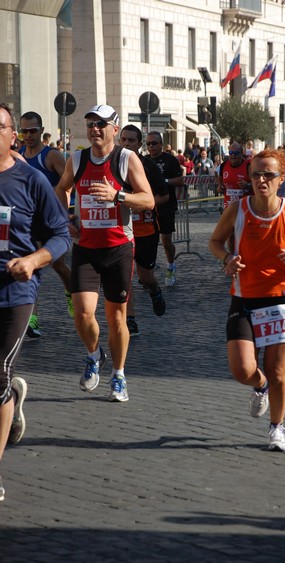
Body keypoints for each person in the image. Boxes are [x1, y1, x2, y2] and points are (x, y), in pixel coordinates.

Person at [209, 148, 285, 452]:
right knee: (242, 369)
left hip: (283, 299)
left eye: (268, 174)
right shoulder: (238, 209)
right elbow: (215, 241)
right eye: (255, 174)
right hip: (245, 297)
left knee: (279, 370)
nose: (261, 180)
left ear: (282, 178)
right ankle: (260, 386)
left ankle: (277, 428)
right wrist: (227, 258)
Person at [55, 104, 154, 402]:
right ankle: (94, 354)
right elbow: (62, 189)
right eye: (90, 124)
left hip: (118, 249)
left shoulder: (126, 159)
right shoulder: (77, 158)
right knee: (83, 313)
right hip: (85, 248)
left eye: (101, 124)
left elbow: (148, 200)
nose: (95, 129)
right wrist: (66, 218)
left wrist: (118, 195)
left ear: (114, 128)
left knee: (116, 319)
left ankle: (119, 374)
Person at [0, 102, 71, 501]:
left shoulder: (31, 180)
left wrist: (33, 259)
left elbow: (61, 235)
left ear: (12, 134)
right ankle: (10, 396)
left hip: (15, 291)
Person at [19, 111, 73, 338]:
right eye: (25, 131)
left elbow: (69, 185)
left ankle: (72, 293)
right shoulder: (18, 154)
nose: (29, 135)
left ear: (41, 131)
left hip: (50, 221)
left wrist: (60, 208)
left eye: (33, 131)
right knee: (30, 267)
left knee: (58, 265)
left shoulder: (52, 156)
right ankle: (32, 319)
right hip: (27, 221)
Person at [119, 124, 168, 335]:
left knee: (145, 276)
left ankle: (155, 291)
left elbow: (164, 195)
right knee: (125, 276)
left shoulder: (148, 165)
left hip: (146, 229)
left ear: (140, 145)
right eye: (124, 140)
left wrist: (143, 203)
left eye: (132, 140)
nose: (127, 144)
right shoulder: (113, 163)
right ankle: (130, 320)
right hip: (122, 229)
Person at [145, 131, 184, 286]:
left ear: (161, 144)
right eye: (148, 143)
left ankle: (170, 266)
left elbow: (180, 180)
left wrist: (164, 180)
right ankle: (148, 272)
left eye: (154, 143)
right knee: (149, 241)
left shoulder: (170, 160)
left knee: (166, 241)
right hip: (148, 206)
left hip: (166, 204)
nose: (151, 146)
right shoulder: (144, 160)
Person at [217, 141, 251, 210]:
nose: (233, 155)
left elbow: (257, 184)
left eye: (236, 153)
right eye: (231, 153)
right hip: (229, 206)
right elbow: (219, 183)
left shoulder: (248, 166)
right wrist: (219, 188)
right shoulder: (223, 165)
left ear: (241, 154)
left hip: (245, 206)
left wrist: (247, 185)